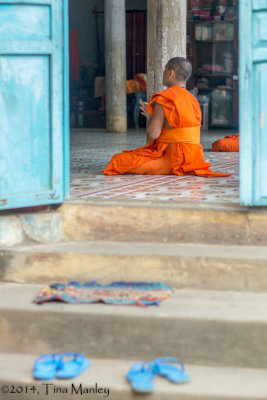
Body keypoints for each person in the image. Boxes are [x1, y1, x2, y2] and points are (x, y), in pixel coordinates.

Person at [103, 57, 230, 177]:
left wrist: (151, 118)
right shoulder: (192, 99)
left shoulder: (164, 98)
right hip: (193, 155)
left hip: (173, 159)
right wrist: (152, 115)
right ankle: (195, 163)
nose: (163, 73)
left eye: (164, 70)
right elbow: (177, 128)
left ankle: (184, 167)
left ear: (171, 73)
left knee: (118, 161)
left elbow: (153, 134)